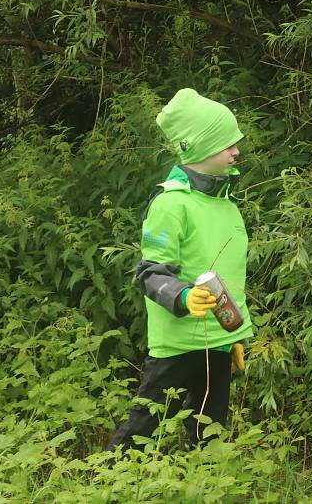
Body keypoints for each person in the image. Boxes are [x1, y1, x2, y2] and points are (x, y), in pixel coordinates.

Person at [107, 88, 253, 452]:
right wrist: (184, 296)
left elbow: (227, 273)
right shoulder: (171, 204)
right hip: (178, 344)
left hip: (216, 340)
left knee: (209, 429)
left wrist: (233, 331)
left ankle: (203, 481)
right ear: (200, 148)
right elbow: (150, 272)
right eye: (226, 143)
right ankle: (110, 480)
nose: (236, 150)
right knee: (143, 428)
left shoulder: (227, 206)